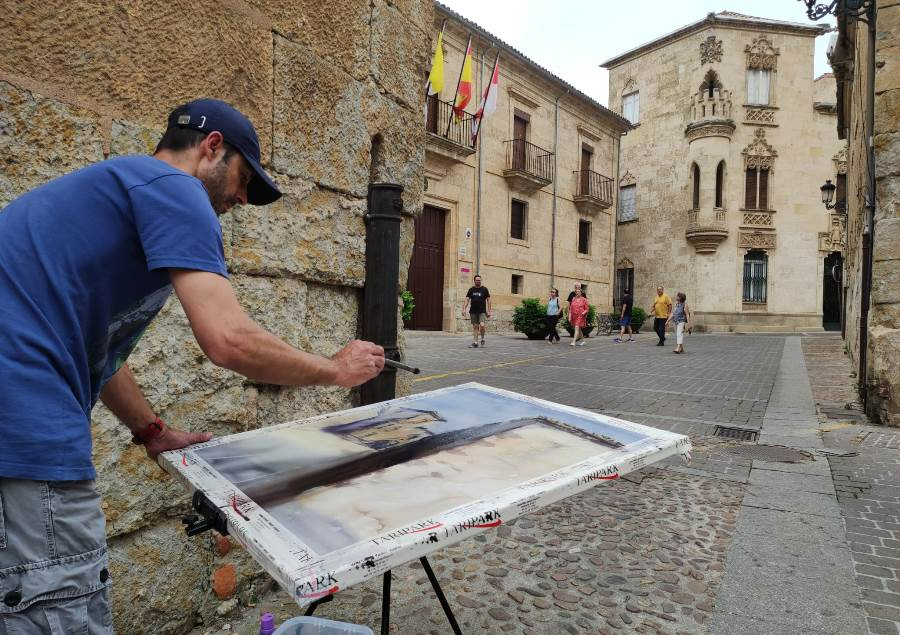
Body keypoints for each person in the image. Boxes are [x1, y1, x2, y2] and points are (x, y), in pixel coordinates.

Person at [0, 99, 385, 630]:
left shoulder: (119, 189)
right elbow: (228, 340)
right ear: (211, 149)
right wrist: (335, 370)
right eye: (244, 179)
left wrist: (152, 431)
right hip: (23, 430)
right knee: (63, 609)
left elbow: (95, 353)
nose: (242, 199)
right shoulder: (174, 188)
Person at [462, 274, 491, 348]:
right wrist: (464, 309)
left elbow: (488, 300)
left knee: (482, 325)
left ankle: (482, 338)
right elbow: (467, 299)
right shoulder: (471, 289)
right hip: (473, 311)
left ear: (481, 280)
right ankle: (475, 342)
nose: (478, 281)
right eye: (477, 280)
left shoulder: (484, 289)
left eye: (479, 280)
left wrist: (489, 310)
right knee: (475, 327)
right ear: (474, 281)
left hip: (482, 311)